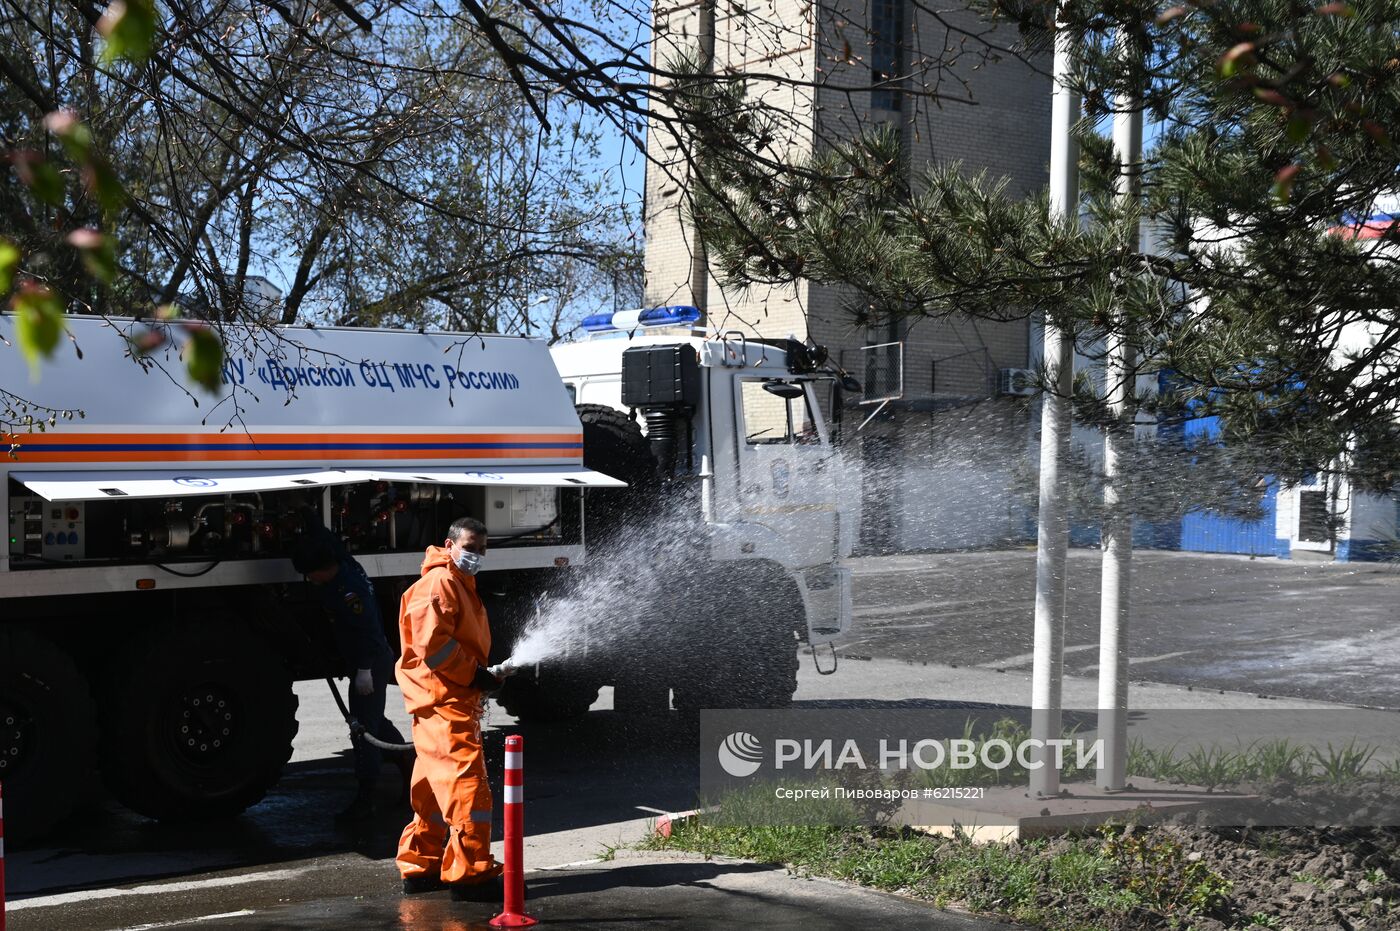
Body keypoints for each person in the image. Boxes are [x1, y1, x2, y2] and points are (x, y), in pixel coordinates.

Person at [395, 516, 506, 901]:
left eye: (481, 550)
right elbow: (434, 647)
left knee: (429, 790)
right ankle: (470, 872)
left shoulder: (456, 582)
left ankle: (421, 865)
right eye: (470, 547)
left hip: (441, 697)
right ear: (449, 544)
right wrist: (475, 675)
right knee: (467, 789)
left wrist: (478, 676)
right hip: (445, 698)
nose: (475, 555)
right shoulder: (442, 583)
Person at [291, 529, 409, 822]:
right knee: (375, 722)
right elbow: (331, 540)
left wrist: (364, 670)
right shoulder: (345, 563)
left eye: (310, 575)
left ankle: (366, 799)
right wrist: (307, 515)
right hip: (366, 660)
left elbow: (368, 630)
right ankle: (412, 769)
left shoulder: (348, 590)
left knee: (363, 731)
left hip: (369, 661)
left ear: (321, 570)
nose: (310, 581)